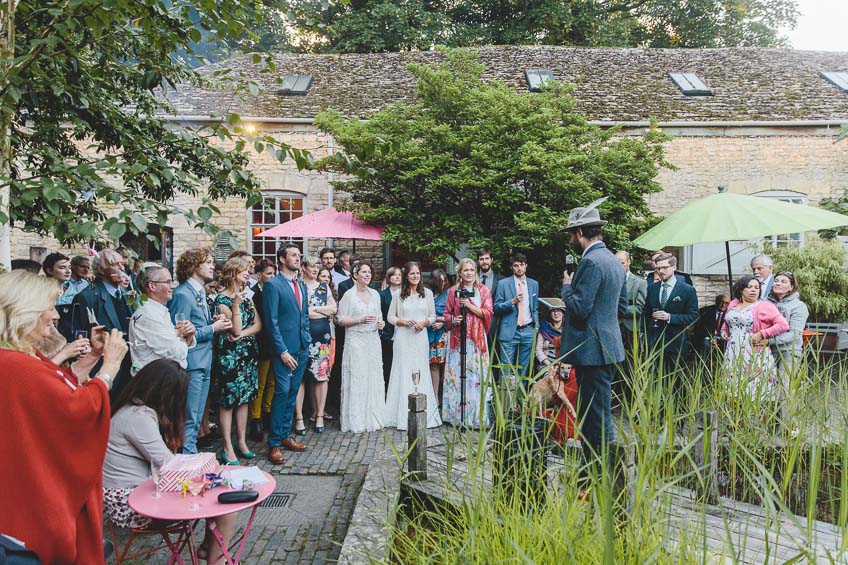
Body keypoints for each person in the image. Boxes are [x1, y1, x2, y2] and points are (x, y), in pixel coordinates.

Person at [0, 270, 128, 564]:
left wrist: (92, 358)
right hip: (33, 493)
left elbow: (57, 386)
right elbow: (73, 409)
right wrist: (110, 367)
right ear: (24, 311)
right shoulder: (17, 365)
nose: (55, 316)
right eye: (48, 308)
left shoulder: (19, 357)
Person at [102, 359, 238, 563]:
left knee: (219, 495)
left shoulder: (134, 410)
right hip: (132, 503)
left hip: (134, 494)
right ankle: (216, 560)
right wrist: (206, 469)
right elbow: (168, 464)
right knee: (225, 504)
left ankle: (209, 550)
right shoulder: (138, 417)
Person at [560, 198, 627, 489]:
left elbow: (580, 308)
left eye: (571, 234)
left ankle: (602, 477)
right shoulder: (613, 259)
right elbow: (621, 307)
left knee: (595, 419)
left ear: (580, 233)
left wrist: (566, 287)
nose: (571, 239)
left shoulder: (589, 261)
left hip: (591, 351)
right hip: (609, 347)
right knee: (595, 415)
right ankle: (590, 475)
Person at [170, 248, 232, 454]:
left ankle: (191, 452)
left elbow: (195, 325)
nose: (213, 266)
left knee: (196, 415)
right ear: (194, 266)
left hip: (204, 359)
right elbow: (179, 331)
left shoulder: (199, 292)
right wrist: (212, 329)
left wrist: (211, 322)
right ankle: (187, 456)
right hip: (192, 362)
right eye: (208, 262)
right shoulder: (182, 294)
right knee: (190, 414)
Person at [264, 243, 311, 464]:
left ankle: (285, 435)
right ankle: (273, 443)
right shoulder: (273, 285)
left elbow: (304, 317)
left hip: (301, 347)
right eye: (293, 255)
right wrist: (281, 351)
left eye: (299, 255)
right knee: (281, 392)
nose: (298, 258)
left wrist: (307, 341)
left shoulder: (301, 285)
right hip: (284, 350)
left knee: (292, 394)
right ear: (282, 259)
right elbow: (271, 322)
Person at [214, 256, 262, 465]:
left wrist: (242, 335)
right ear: (233, 273)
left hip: (247, 353)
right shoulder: (221, 300)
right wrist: (235, 306)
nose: (248, 273)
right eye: (244, 270)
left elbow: (258, 325)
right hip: (230, 357)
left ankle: (242, 442)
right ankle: (227, 446)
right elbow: (233, 328)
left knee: (245, 399)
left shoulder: (247, 297)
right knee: (229, 401)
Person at [72, 248, 135, 401]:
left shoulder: (128, 293)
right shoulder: (88, 296)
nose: (121, 269)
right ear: (100, 270)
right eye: (115, 264)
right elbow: (81, 336)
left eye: (122, 264)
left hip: (129, 362)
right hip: (104, 365)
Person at [385, 262, 441, 430]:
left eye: (417, 273)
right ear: (406, 276)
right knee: (403, 371)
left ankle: (425, 412)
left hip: (420, 337)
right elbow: (390, 317)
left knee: (420, 370)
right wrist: (402, 322)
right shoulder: (398, 295)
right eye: (412, 274)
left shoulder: (428, 294)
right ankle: (401, 414)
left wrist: (424, 323)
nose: (415, 276)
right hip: (403, 337)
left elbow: (432, 316)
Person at [442, 258, 493, 428]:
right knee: (458, 376)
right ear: (460, 273)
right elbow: (446, 314)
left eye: (472, 270)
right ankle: (456, 416)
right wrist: (453, 320)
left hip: (476, 340)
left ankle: (477, 418)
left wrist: (469, 306)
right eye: (466, 270)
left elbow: (488, 312)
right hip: (458, 340)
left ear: (475, 272)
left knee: (475, 377)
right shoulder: (453, 291)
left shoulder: (483, 291)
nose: (469, 273)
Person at [336, 261, 386, 432]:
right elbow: (340, 319)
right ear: (355, 275)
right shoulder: (349, 295)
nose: (367, 275)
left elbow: (380, 316)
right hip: (356, 341)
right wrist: (359, 320)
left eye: (369, 272)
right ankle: (356, 419)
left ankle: (374, 417)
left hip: (372, 340)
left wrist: (381, 324)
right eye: (363, 272)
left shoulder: (376, 294)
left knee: (373, 377)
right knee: (357, 378)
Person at [721, 275, 788, 399]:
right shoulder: (733, 303)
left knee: (757, 392)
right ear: (741, 289)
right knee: (735, 392)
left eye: (756, 288)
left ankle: (762, 418)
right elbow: (728, 320)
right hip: (733, 351)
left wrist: (763, 334)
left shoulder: (764, 306)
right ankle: (738, 418)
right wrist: (724, 329)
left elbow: (783, 325)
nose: (753, 290)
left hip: (753, 351)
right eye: (749, 287)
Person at [128, 263, 196, 374]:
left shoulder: (158, 311)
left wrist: (189, 334)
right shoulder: (149, 315)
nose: (173, 286)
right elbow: (176, 352)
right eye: (168, 282)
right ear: (152, 286)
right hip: (155, 381)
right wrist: (185, 338)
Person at [643, 252, 699, 376]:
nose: (661, 271)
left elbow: (694, 316)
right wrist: (645, 337)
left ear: (674, 267)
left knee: (675, 381)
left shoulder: (687, 290)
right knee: (654, 379)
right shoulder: (652, 288)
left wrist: (670, 317)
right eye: (658, 268)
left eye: (664, 267)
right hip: (654, 342)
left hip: (676, 342)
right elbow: (645, 313)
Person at [303, 255, 337, 434]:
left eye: (317, 266)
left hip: (322, 337)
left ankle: (319, 416)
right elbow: (301, 313)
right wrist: (321, 311)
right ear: (304, 268)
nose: (315, 269)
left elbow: (334, 309)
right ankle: (301, 417)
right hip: (303, 336)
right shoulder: (299, 286)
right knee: (303, 378)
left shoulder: (323, 287)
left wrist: (314, 309)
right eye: (311, 266)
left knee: (321, 376)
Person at [494, 252, 539, 384]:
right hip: (509, 331)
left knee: (524, 370)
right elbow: (496, 307)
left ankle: (521, 402)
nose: (519, 268)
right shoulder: (503, 284)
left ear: (526, 266)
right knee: (506, 368)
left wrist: (536, 327)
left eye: (522, 265)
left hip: (528, 330)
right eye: (516, 265)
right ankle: (507, 402)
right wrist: (511, 302)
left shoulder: (533, 284)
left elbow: (535, 307)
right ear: (511, 268)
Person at [249, 259, 277, 441]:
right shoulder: (253, 294)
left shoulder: (273, 290)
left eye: (274, 274)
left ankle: (268, 412)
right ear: (259, 275)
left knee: (272, 382)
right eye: (268, 274)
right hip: (260, 340)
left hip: (274, 340)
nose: (272, 277)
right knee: (260, 382)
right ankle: (255, 418)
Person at [767, 272, 809, 375]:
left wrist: (769, 341)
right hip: (767, 350)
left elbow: (794, 334)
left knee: (784, 386)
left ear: (791, 287)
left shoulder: (798, 306)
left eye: (783, 281)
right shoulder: (765, 303)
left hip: (789, 351)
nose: (778, 283)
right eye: (776, 281)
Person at [615, 250, 647, 352]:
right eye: (616, 263)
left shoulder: (640, 283)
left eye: (622, 263)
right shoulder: (610, 281)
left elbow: (640, 308)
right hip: (613, 328)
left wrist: (617, 310)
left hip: (631, 329)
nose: (619, 266)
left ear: (629, 262)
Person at [427, 268, 450, 405]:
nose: (443, 283)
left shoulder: (448, 295)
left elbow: (454, 316)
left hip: (443, 335)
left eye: (444, 281)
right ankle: (434, 397)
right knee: (433, 366)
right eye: (440, 281)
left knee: (443, 366)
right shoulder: (427, 294)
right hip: (429, 334)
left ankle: (443, 396)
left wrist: (441, 322)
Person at [379, 266, 402, 390]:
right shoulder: (382, 295)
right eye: (394, 275)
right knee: (388, 364)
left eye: (399, 275)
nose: (397, 277)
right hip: (388, 334)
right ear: (389, 278)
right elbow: (381, 314)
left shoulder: (405, 293)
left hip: (403, 333)